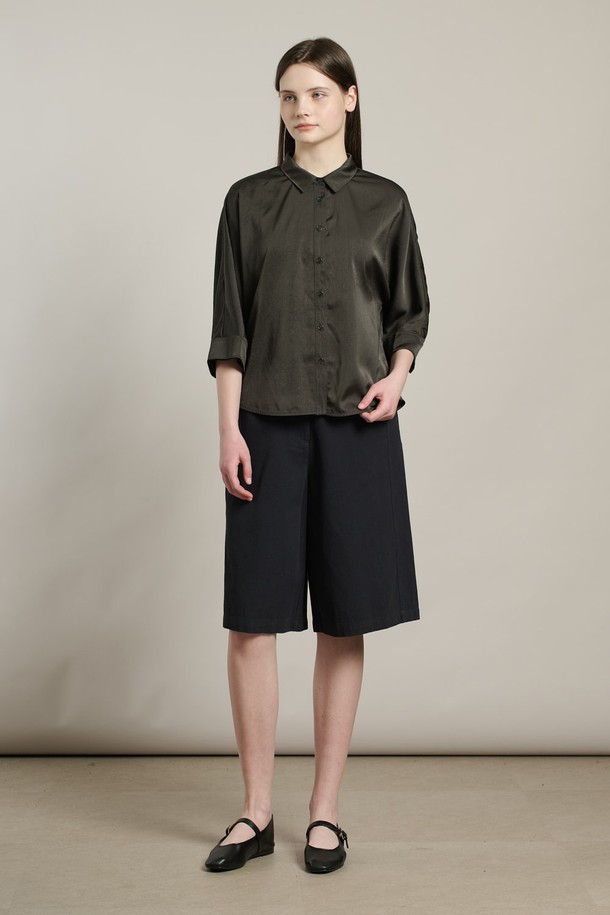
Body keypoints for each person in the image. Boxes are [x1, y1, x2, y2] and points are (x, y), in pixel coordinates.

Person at [203, 36, 430, 875]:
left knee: (345, 616)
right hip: (263, 426)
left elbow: (409, 313)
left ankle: (324, 814)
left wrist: (397, 378)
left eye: (318, 94)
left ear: (350, 100)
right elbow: (230, 327)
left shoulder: (387, 203)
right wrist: (228, 429)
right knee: (252, 620)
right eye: (289, 96)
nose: (302, 109)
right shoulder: (247, 201)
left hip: (358, 429)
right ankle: (255, 811)